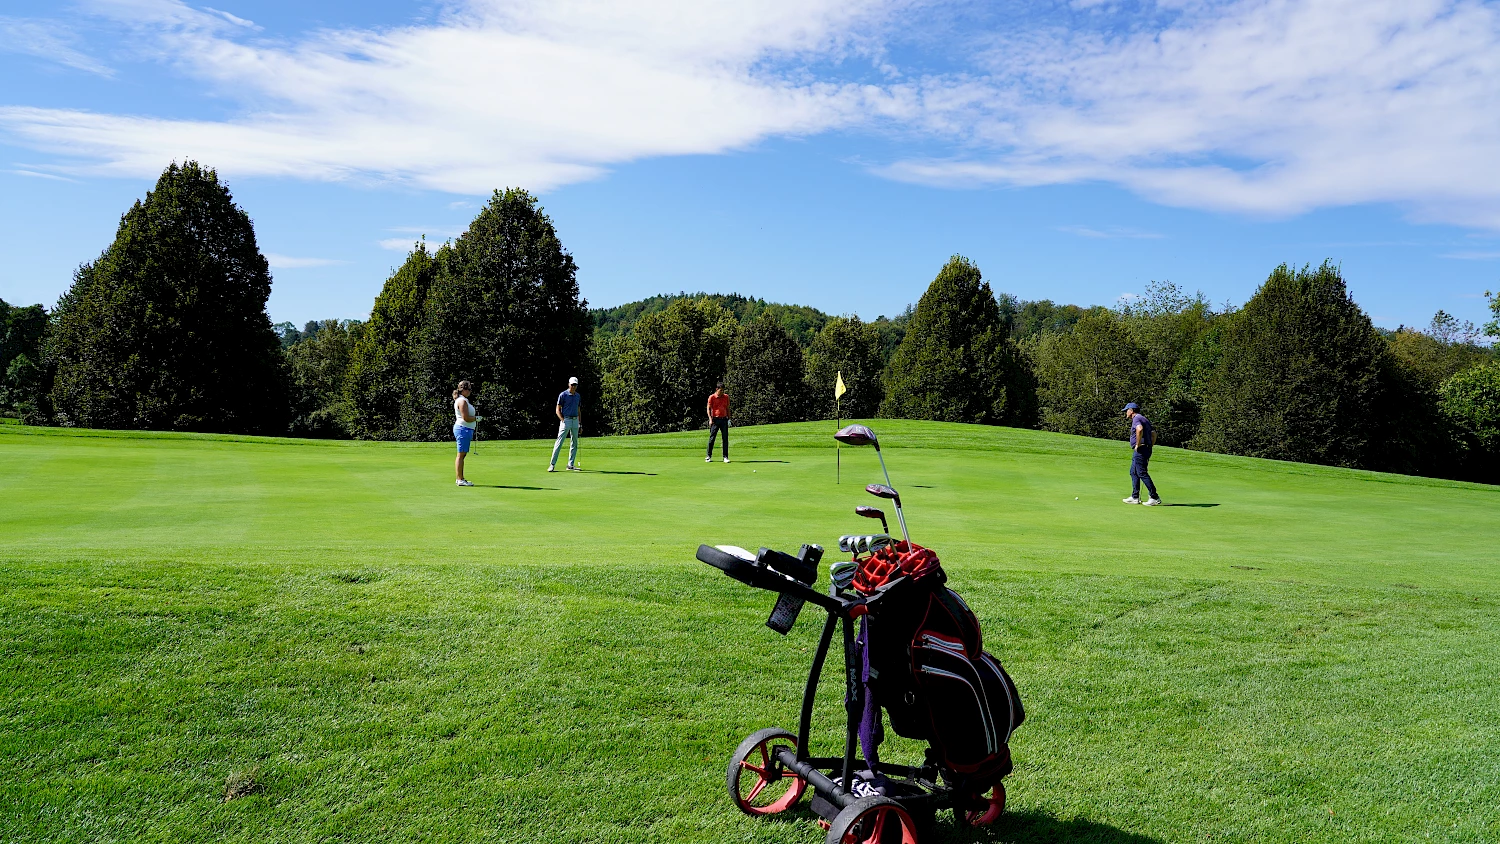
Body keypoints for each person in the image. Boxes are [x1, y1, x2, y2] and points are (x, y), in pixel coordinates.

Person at [1122, 402, 1161, 506]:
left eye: (1126, 410)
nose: (1126, 413)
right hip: (1145, 448)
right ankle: (1135, 497)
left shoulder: (1136, 419)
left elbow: (1139, 429)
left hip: (1141, 450)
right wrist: (1150, 445)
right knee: (1133, 472)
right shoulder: (1144, 418)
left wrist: (1138, 444)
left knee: (1141, 473)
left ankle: (1154, 496)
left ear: (1131, 411)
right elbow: (1153, 434)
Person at [549, 376, 582, 472]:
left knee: (574, 443)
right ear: (569, 384)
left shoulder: (578, 396)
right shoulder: (563, 395)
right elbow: (557, 410)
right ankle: (552, 464)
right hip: (566, 420)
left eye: (575, 385)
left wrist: (580, 424)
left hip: (575, 420)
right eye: (572, 385)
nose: (573, 387)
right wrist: (562, 420)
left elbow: (578, 410)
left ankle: (570, 465)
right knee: (559, 442)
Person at [453, 380, 478, 487]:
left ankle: (460, 478)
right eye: (469, 389)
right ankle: (460, 479)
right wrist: (477, 418)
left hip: (465, 429)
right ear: (464, 390)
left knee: (462, 454)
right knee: (461, 455)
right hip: (463, 429)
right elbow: (466, 418)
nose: (470, 391)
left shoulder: (463, 400)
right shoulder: (462, 401)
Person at [706, 381, 730, 463]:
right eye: (721, 390)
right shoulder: (712, 397)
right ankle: (708, 456)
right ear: (717, 389)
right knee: (712, 438)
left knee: (725, 439)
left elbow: (727, 408)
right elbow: (708, 409)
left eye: (723, 390)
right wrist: (710, 419)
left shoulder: (726, 397)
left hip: (724, 420)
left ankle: (725, 457)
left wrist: (729, 419)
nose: (722, 392)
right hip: (715, 420)